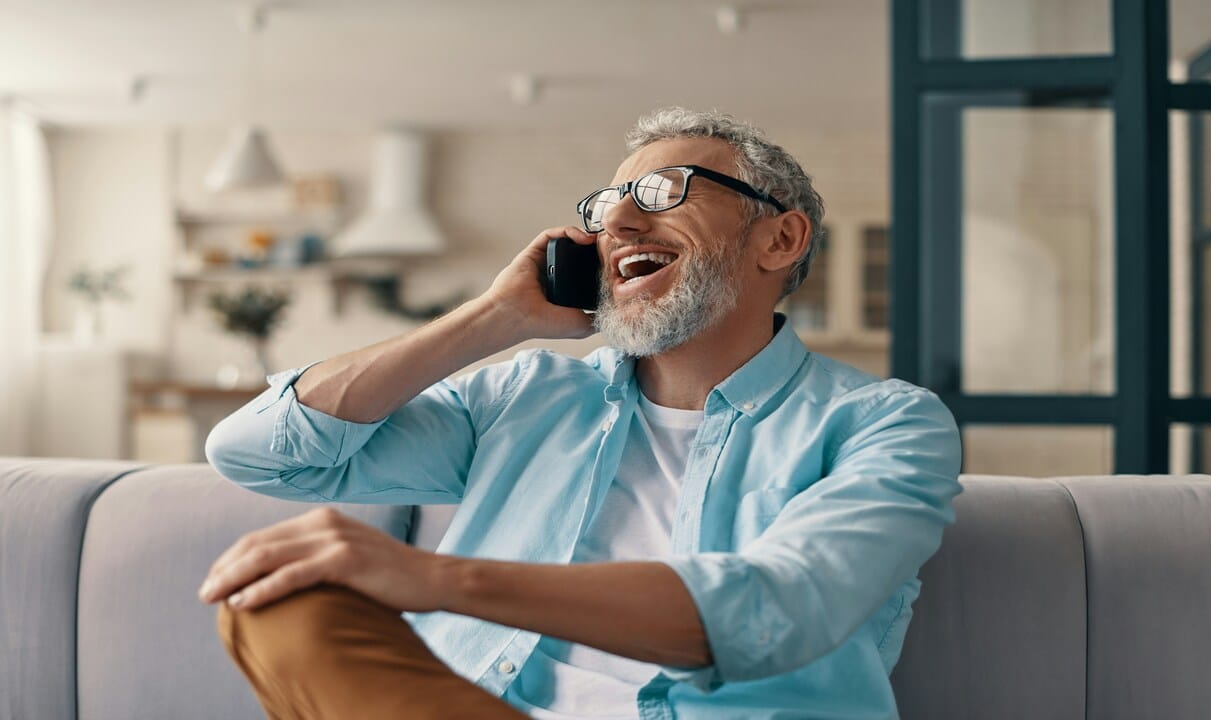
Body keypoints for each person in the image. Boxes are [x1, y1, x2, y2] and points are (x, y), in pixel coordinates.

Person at [199, 106, 963, 720]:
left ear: (781, 237)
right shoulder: (525, 396)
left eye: (665, 192)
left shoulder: (886, 423)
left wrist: (434, 579)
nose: (619, 226)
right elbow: (259, 451)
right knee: (277, 601)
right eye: (605, 210)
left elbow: (778, 608)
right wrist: (494, 317)